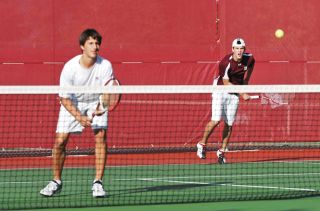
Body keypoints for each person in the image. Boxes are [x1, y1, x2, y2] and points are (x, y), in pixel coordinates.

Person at [40, 29, 114, 197]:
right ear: (82, 46)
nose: (95, 47)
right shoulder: (70, 67)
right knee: (60, 141)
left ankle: (98, 183)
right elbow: (64, 98)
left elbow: (108, 94)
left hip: (96, 101)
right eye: (91, 43)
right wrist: (80, 117)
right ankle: (56, 180)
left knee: (100, 136)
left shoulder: (105, 66)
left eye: (97, 43)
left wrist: (101, 106)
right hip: (73, 102)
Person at [196, 38, 255, 164]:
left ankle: (222, 151)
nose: (239, 51)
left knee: (229, 124)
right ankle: (202, 144)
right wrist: (242, 93)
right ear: (232, 49)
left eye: (241, 49)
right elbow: (226, 83)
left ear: (244, 49)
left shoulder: (250, 59)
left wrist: (244, 90)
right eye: (237, 49)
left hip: (234, 94)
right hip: (221, 90)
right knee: (216, 120)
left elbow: (246, 79)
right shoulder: (225, 63)